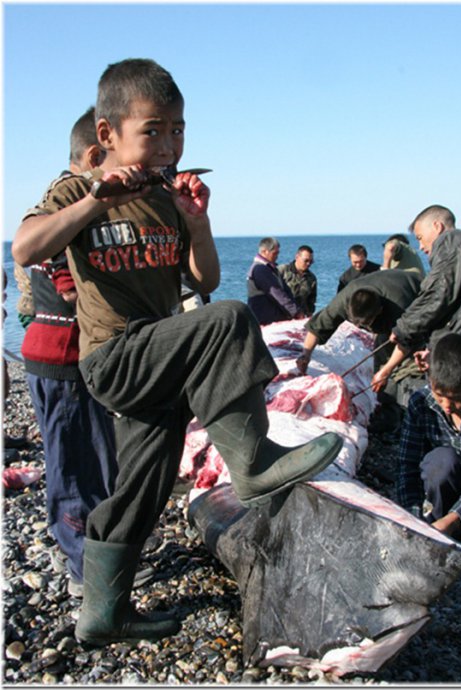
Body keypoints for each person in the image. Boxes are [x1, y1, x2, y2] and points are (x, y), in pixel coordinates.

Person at [13, 58, 342, 645]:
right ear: (107, 135)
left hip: (161, 356)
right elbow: (26, 245)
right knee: (229, 321)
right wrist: (96, 199)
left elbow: (205, 279)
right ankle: (253, 461)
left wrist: (197, 224)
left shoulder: (168, 195)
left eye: (178, 129)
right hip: (114, 356)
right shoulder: (76, 187)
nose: (169, 144)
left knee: (145, 481)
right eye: (153, 130)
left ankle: (102, 614)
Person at [18, 107, 124, 597]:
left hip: (77, 359)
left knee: (100, 459)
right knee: (72, 467)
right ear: (93, 155)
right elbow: (67, 288)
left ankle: (100, 552)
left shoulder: (69, 206)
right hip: (58, 358)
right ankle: (83, 567)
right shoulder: (67, 206)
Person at [371, 205, 461, 393]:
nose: (421, 247)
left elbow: (438, 294)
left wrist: (403, 329)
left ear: (437, 227)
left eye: (420, 238)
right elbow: (456, 307)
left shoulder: (451, 240)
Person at [396, 333, 461, 539]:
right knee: (441, 462)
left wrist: (453, 520)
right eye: (440, 395)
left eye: (457, 399)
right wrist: (411, 514)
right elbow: (407, 464)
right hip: (452, 474)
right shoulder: (422, 403)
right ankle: (436, 523)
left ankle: (456, 524)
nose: (446, 405)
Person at [296, 269, 422, 375]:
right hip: (388, 298)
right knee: (382, 361)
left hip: (419, 299)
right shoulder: (343, 300)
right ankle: (384, 396)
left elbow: (408, 340)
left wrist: (387, 370)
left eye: (364, 325)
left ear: (379, 311)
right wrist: (305, 356)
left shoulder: (400, 306)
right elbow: (318, 326)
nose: (360, 327)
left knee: (409, 367)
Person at [247, 237, 306, 325]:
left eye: (278, 253)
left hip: (273, 318)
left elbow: (284, 291)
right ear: (264, 251)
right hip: (266, 320)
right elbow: (277, 293)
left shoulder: (270, 269)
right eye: (274, 253)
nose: (277, 256)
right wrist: (295, 312)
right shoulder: (260, 269)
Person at [278, 245, 317, 316]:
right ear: (297, 257)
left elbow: (311, 302)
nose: (308, 264)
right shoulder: (282, 271)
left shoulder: (312, 278)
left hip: (300, 317)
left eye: (311, 262)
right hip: (281, 315)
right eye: (306, 261)